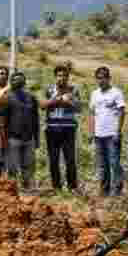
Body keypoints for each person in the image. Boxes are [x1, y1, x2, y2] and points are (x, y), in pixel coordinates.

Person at [88, 66, 126, 196]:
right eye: (98, 78)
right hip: (99, 135)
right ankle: (104, 190)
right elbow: (92, 114)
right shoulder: (94, 94)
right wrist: (91, 132)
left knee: (114, 162)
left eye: (103, 77)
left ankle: (117, 190)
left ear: (109, 78)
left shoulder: (116, 92)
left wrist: (118, 131)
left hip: (112, 134)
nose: (101, 80)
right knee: (102, 164)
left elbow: (122, 112)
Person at [0, 71, 41, 190]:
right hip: (13, 138)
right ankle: (11, 189)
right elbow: (2, 120)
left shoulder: (31, 98)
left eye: (21, 79)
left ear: (24, 82)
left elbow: (36, 119)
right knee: (12, 167)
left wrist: (37, 138)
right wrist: (3, 138)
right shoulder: (6, 97)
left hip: (29, 138)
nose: (18, 81)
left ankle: (27, 187)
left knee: (28, 166)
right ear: (11, 82)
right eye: (15, 79)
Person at [42, 64, 80, 192]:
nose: (62, 78)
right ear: (55, 76)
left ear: (68, 77)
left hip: (68, 128)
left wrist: (68, 102)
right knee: (53, 159)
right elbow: (42, 105)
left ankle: (72, 187)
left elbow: (78, 107)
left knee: (70, 159)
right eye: (59, 75)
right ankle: (56, 187)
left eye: (64, 76)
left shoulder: (73, 90)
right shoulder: (49, 89)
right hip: (52, 128)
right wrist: (57, 99)